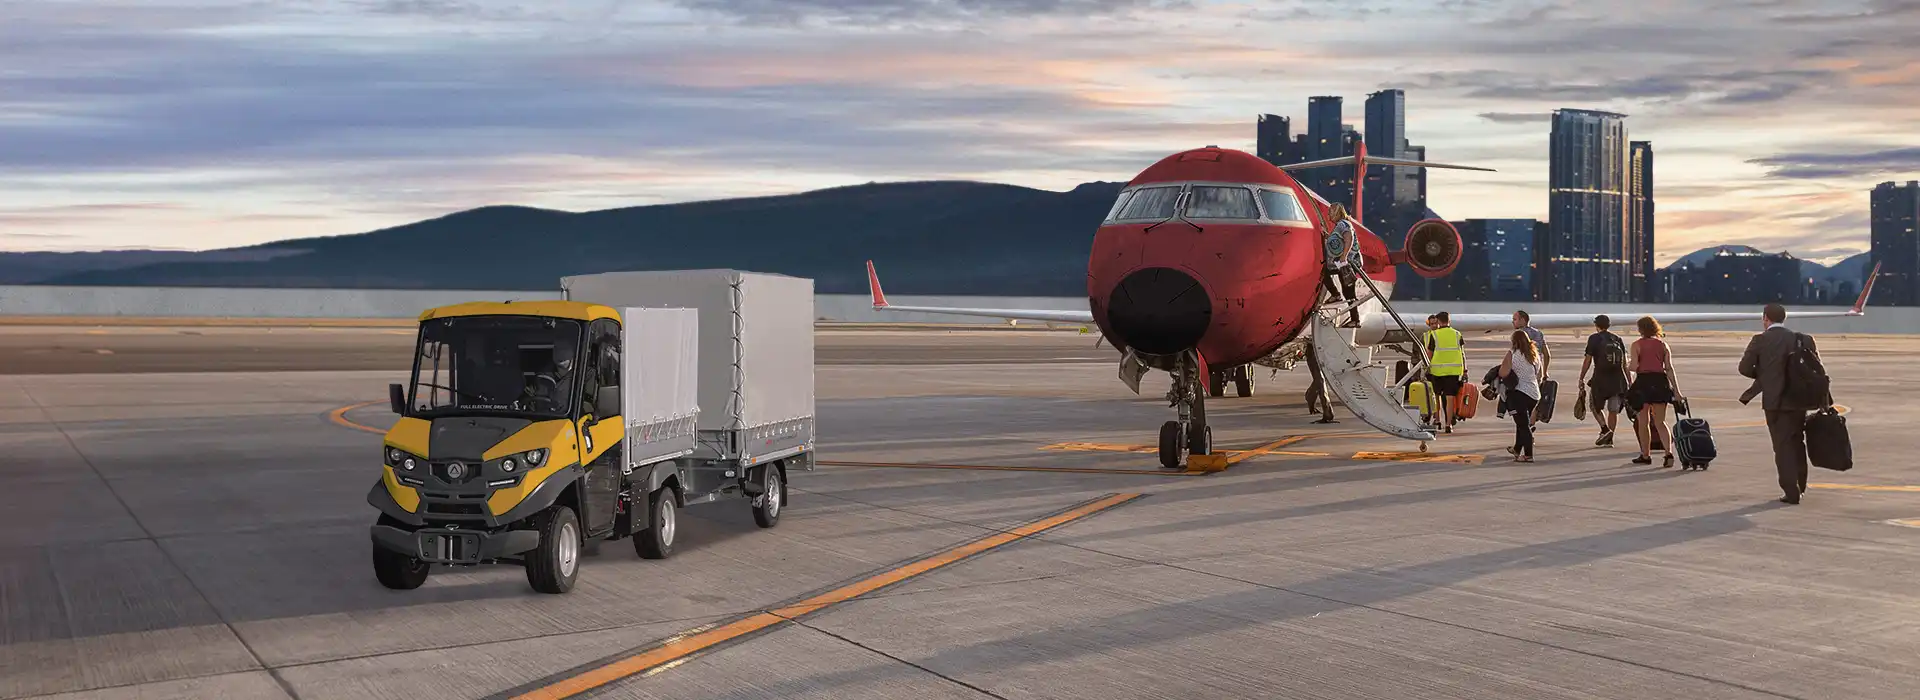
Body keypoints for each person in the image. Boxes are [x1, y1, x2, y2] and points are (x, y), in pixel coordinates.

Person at [1738, 303, 1823, 504]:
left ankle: (1790, 490)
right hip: (1799, 400)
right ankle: (1801, 486)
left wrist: (1765, 375)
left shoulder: (1760, 340)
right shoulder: (1802, 339)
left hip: (1775, 402)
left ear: (1766, 318)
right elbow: (1816, 369)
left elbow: (1744, 368)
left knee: (1782, 446)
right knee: (1797, 442)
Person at [1628, 315, 1682, 467]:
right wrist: (1676, 391)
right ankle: (1668, 453)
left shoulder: (1636, 345)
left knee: (1643, 422)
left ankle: (1646, 455)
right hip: (1660, 382)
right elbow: (1669, 369)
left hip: (1643, 383)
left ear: (1640, 329)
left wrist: (1626, 366)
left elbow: (1634, 367)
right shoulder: (1663, 345)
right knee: (1660, 421)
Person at [1579, 314, 1630, 447]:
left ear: (1596, 325)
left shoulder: (1594, 338)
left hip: (1600, 379)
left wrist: (1581, 377)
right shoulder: (1617, 339)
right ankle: (1610, 438)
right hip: (1618, 379)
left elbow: (1588, 360)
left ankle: (1605, 429)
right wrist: (1629, 382)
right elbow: (1624, 363)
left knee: (1594, 406)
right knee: (1613, 410)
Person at [1499, 329, 1543, 462]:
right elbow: (1539, 375)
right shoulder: (1534, 354)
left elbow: (1503, 373)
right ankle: (1517, 449)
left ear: (1514, 342)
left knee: (1523, 425)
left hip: (1520, 393)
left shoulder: (1512, 354)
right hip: (1534, 393)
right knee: (1522, 422)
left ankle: (1528, 455)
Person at [1424, 311, 1466, 433]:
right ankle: (1449, 425)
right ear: (1449, 321)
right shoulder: (1457, 334)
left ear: (1438, 321)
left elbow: (1429, 354)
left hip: (1437, 371)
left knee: (1436, 396)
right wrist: (1465, 370)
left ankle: (1437, 421)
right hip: (1453, 371)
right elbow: (1462, 354)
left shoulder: (1435, 335)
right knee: (1450, 398)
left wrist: (1427, 368)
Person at [1513, 310, 1550, 426]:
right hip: (1537, 370)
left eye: (1515, 319)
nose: (1512, 322)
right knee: (1534, 398)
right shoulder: (1539, 333)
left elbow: (1514, 355)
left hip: (1523, 372)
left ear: (1523, 320)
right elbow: (1547, 354)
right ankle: (1531, 426)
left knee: (1521, 400)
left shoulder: (1519, 336)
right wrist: (1545, 372)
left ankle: (1526, 429)